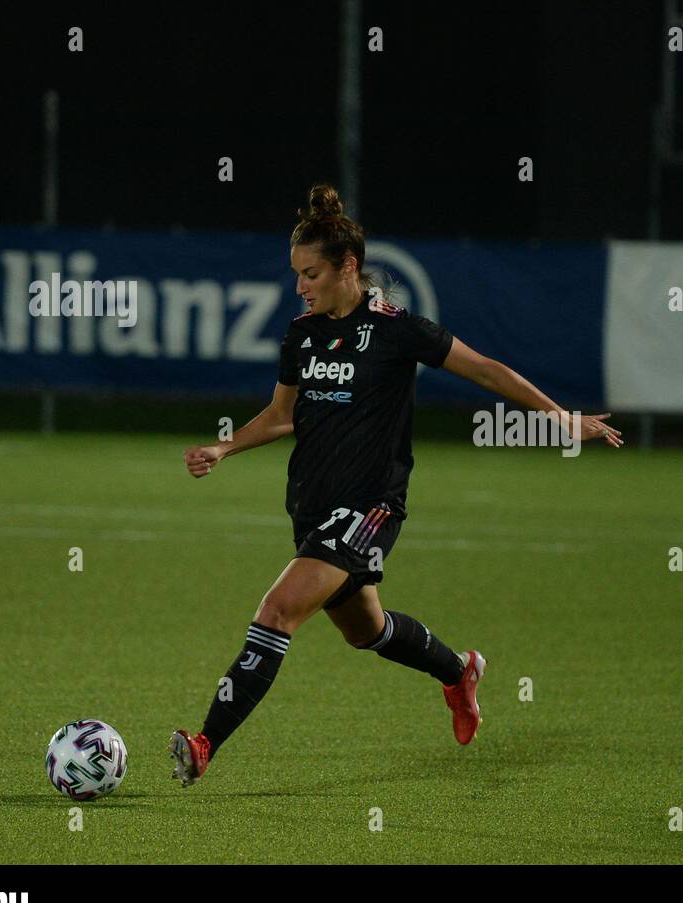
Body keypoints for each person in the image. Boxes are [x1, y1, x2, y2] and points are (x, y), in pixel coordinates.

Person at [169, 183, 623, 786]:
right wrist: (224, 447)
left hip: (370, 507)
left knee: (277, 611)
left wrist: (560, 417)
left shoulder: (397, 330)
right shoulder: (302, 334)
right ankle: (458, 671)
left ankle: (203, 743)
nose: (299, 286)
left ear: (347, 267)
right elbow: (281, 415)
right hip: (311, 507)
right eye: (295, 274)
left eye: (310, 273)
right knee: (367, 631)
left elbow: (485, 368)